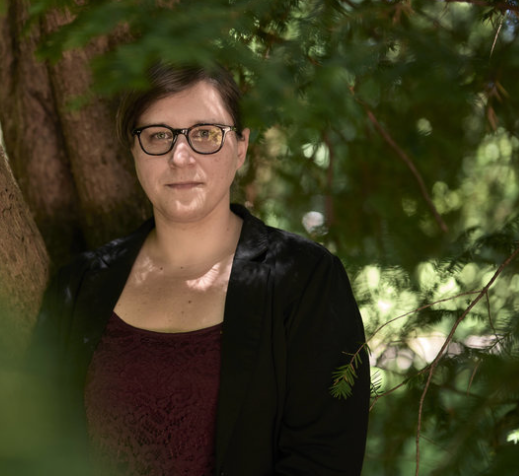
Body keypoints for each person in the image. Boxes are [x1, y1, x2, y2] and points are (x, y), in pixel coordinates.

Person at [29, 62, 370, 476]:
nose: (180, 156)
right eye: (158, 135)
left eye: (205, 133)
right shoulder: (79, 286)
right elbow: (36, 448)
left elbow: (324, 461)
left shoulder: (306, 280)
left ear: (241, 147)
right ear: (133, 150)